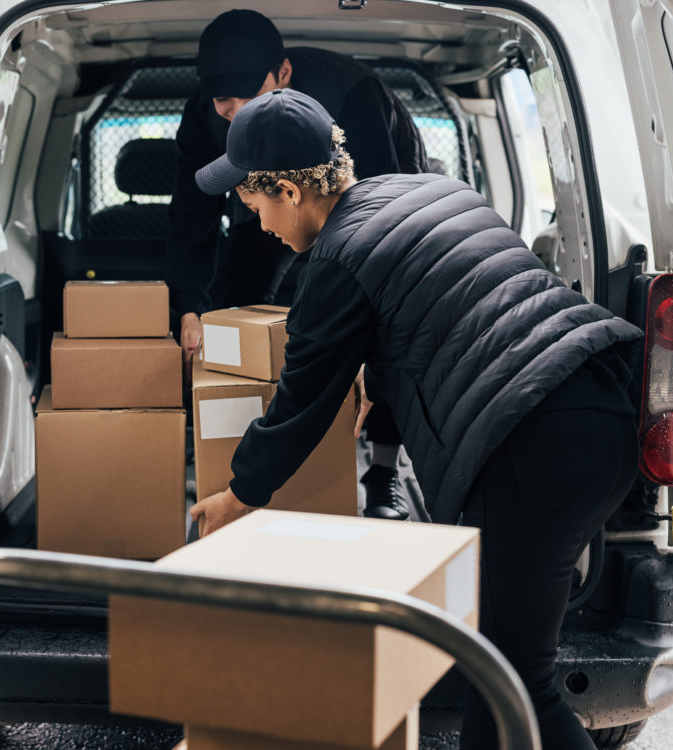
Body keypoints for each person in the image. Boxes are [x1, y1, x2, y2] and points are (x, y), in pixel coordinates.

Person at [187, 89, 643, 750]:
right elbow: (456, 303)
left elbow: (301, 404)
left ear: (288, 190)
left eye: (254, 207)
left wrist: (241, 495)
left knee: (521, 688)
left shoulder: (336, 264)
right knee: (499, 680)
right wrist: (381, 372)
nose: (258, 226)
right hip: (599, 411)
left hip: (531, 449)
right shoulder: (430, 190)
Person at [168, 8, 429, 519]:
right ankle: (231, 449)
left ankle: (381, 470)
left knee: (381, 321)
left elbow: (374, 233)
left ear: (283, 75)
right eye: (224, 102)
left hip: (374, 191)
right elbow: (190, 218)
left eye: (249, 96)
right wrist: (190, 309)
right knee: (233, 305)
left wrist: (355, 349)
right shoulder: (205, 116)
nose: (235, 110)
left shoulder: (353, 95)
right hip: (274, 190)